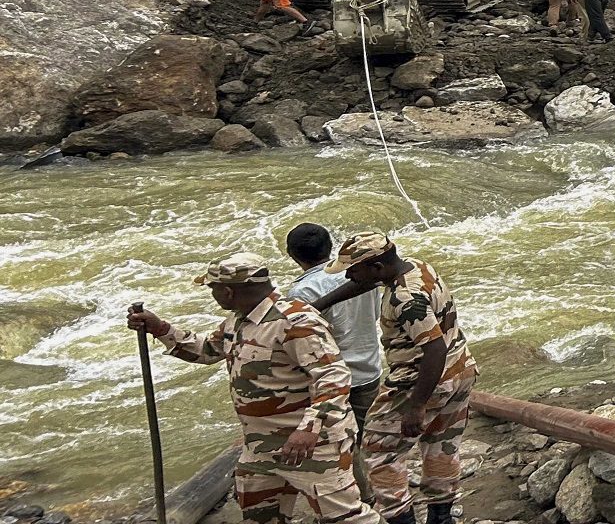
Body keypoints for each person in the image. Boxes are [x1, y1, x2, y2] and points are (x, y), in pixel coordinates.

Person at [125, 254, 383, 524]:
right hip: (261, 447)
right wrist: (160, 328)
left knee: (345, 517)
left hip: (311, 446)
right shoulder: (238, 321)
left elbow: (333, 376)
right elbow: (206, 350)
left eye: (213, 289)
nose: (213, 295)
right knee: (260, 515)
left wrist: (309, 428)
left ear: (228, 291)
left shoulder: (295, 321)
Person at [324, 232, 478, 524]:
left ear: (377, 267)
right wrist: (320, 304)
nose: (348, 276)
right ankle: (441, 517)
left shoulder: (404, 299)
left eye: (352, 270)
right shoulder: (416, 267)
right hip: (460, 369)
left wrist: (417, 406)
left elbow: (434, 349)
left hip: (420, 381)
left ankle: (401, 517)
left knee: (378, 451)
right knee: (441, 444)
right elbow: (364, 283)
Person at [285, 223, 383, 505]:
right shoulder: (361, 275)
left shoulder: (301, 292)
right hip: (369, 369)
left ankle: (360, 500)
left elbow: (305, 343)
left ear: (292, 255)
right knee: (363, 438)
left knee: (339, 444)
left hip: (331, 380)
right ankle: (377, 494)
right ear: (330, 247)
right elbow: (375, 314)